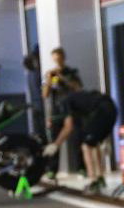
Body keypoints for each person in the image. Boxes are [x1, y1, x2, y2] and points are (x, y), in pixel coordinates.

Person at [43, 80, 117, 194]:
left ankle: (93, 181)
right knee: (93, 144)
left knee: (86, 146)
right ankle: (100, 178)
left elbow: (68, 127)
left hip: (101, 111)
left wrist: (55, 145)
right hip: (112, 108)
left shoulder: (65, 101)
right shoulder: (80, 95)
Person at [42, 47, 82, 180]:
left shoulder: (71, 72)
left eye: (59, 59)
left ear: (63, 59)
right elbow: (45, 94)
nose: (57, 62)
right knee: (55, 140)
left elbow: (78, 88)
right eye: (55, 60)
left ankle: (81, 168)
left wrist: (62, 77)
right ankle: (52, 169)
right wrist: (49, 80)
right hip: (56, 110)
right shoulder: (49, 74)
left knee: (77, 138)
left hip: (71, 108)